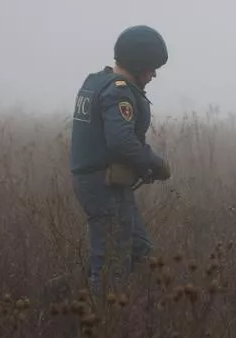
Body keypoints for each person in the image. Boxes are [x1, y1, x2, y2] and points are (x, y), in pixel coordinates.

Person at [69, 25, 171, 295]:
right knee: (112, 266)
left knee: (140, 250)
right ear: (139, 64)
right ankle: (97, 325)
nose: (154, 74)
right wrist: (153, 162)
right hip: (103, 186)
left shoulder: (97, 81)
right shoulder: (119, 91)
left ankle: (138, 313)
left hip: (106, 183)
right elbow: (121, 140)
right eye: (151, 67)